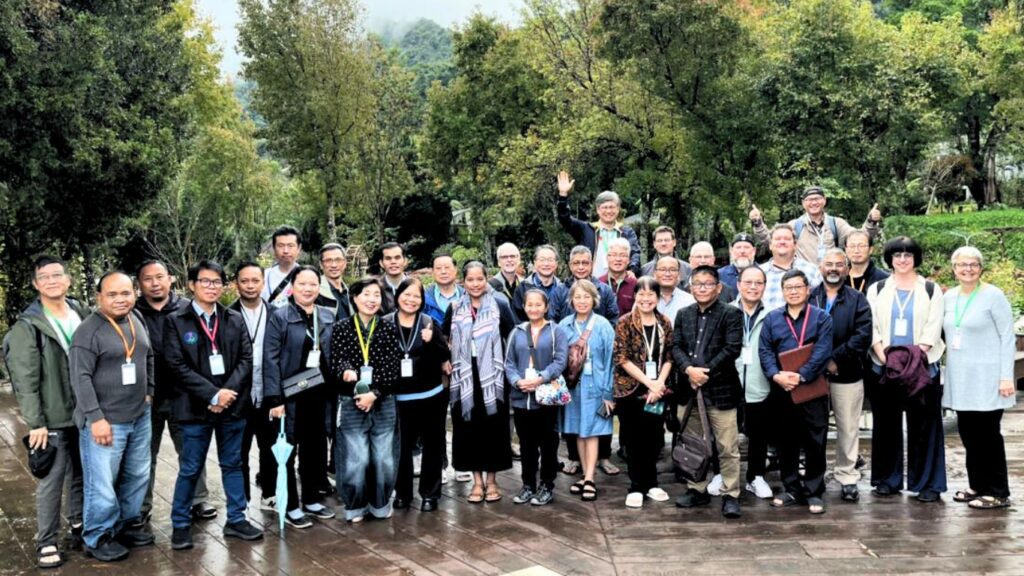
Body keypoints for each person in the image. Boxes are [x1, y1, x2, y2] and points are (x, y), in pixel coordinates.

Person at [163, 260, 261, 549]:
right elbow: (175, 365)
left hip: (232, 407)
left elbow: (246, 359)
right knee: (191, 467)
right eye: (205, 281)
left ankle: (236, 519)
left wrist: (226, 393)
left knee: (233, 464)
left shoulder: (233, 318)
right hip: (194, 409)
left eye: (217, 282)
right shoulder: (176, 320)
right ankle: (180, 524)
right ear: (192, 284)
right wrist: (212, 394)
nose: (211, 287)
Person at [3, 255, 89, 568]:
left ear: (68, 280)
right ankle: (47, 540)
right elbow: (25, 380)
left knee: (82, 474)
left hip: (84, 412)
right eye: (45, 277)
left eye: (57, 275)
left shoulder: (81, 311)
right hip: (51, 418)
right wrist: (35, 422)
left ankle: (79, 524)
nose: (52, 281)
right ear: (36, 284)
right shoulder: (28, 327)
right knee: (51, 480)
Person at [70, 271, 154, 562]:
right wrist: (96, 418)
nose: (120, 299)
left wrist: (149, 392)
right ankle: (97, 535)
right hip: (106, 420)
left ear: (134, 293)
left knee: (137, 473)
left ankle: (127, 524)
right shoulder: (88, 331)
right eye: (112, 294)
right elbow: (80, 378)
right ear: (99, 297)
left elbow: (147, 356)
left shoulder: (136, 319)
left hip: (139, 414)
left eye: (126, 293)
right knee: (102, 481)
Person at [135, 259, 215, 527]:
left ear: (171, 279)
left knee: (191, 450)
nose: (155, 283)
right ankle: (141, 505)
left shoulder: (187, 308)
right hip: (147, 397)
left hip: (185, 394)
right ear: (139, 284)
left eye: (160, 276)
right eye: (148, 278)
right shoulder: (133, 313)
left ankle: (198, 499)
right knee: (145, 454)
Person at [866, 237, 946, 502]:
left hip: (922, 369)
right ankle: (887, 480)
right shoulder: (877, 289)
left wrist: (912, 360)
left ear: (915, 258)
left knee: (925, 426)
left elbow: (933, 329)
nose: (902, 260)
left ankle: (927, 484)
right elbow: (872, 328)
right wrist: (886, 358)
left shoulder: (931, 290)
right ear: (889, 259)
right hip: (885, 367)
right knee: (886, 426)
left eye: (908, 255)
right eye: (897, 255)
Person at [262, 266, 337, 528]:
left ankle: (312, 499)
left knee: (315, 449)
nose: (308, 289)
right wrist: (275, 399)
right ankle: (291, 505)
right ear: (293, 286)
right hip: (290, 396)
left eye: (313, 284)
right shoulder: (279, 317)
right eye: (302, 284)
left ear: (319, 287)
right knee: (289, 451)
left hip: (319, 395)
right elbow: (269, 360)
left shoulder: (326, 315)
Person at [942, 247, 1016, 509]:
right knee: (968, 432)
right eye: (962, 264)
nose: (968, 269)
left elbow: (1008, 337)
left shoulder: (993, 296)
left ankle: (998, 491)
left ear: (981, 268)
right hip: (961, 377)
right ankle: (977, 485)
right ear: (954, 268)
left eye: (973, 264)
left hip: (988, 376)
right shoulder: (949, 297)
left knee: (988, 434)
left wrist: (1006, 376)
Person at [670, 266, 744, 518]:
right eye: (697, 284)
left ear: (718, 287)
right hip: (688, 390)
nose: (702, 288)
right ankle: (696, 488)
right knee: (693, 444)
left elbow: (732, 349)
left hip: (721, 391)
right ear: (690, 287)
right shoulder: (683, 314)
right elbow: (675, 346)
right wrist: (688, 370)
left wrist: (703, 372)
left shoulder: (731, 314)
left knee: (727, 446)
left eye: (707, 284)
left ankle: (731, 493)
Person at [759, 269, 833, 515]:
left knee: (815, 440)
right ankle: (790, 487)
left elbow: (823, 351)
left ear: (807, 289)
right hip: (782, 390)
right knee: (785, 441)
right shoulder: (772, 319)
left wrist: (801, 375)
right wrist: (776, 375)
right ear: (782, 292)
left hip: (812, 388)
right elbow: (765, 350)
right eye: (787, 287)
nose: (792, 291)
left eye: (797, 287)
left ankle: (814, 490)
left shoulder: (821, 318)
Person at [330, 277, 403, 522]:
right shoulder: (341, 327)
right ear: (354, 298)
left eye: (376, 295)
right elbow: (336, 361)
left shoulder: (388, 327)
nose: (372, 300)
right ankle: (355, 505)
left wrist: (374, 394)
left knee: (383, 458)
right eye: (366, 294)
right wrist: (346, 370)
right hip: (351, 401)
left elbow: (392, 368)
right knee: (355, 458)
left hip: (383, 400)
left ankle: (380, 503)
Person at [444, 262, 516, 504]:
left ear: (486, 280)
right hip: (464, 377)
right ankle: (476, 481)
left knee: (494, 428)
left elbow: (513, 336)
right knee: (468, 429)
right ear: (463, 282)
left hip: (493, 377)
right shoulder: (455, 307)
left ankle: (493, 481)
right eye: (470, 280)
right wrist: (446, 360)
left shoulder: (500, 304)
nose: (475, 284)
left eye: (479, 279)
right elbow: (445, 339)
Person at [810, 249, 872, 502]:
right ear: (820, 267)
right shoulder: (809, 296)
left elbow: (862, 336)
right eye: (828, 264)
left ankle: (847, 475)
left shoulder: (858, 299)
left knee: (847, 428)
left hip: (847, 373)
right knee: (814, 428)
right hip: (813, 375)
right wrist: (821, 362)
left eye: (839, 265)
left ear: (847, 269)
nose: (833, 269)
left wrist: (836, 359)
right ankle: (815, 475)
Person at [387, 278, 451, 512]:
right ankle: (402, 493)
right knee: (401, 447)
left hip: (430, 395)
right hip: (399, 398)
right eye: (407, 294)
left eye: (416, 296)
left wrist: (431, 340)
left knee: (433, 445)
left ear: (422, 300)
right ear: (397, 296)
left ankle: (430, 494)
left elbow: (444, 355)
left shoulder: (429, 322)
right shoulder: (385, 324)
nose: (411, 300)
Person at [613, 277, 674, 508]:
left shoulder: (664, 322)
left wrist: (659, 384)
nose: (646, 299)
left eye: (651, 294)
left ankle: (653, 483)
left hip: (657, 390)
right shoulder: (625, 322)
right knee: (633, 438)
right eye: (641, 294)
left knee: (653, 438)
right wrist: (649, 382)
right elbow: (621, 358)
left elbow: (669, 356)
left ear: (658, 298)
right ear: (634, 296)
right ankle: (636, 486)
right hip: (631, 389)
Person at [558, 248, 619, 476]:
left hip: (598, 387)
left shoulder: (603, 325)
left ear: (595, 299)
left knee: (592, 432)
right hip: (573, 389)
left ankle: (590, 478)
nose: (582, 301)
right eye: (577, 297)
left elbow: (613, 361)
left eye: (587, 297)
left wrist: (609, 394)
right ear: (571, 300)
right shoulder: (564, 325)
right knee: (578, 431)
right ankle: (585, 474)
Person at [506, 289, 569, 506]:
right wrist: (517, 381)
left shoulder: (556, 331)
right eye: (529, 304)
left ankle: (546, 484)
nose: (533, 308)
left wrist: (540, 378)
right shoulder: (516, 331)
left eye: (538, 304)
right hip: (521, 397)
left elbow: (561, 361)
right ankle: (528, 484)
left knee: (549, 443)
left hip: (546, 397)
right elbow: (509, 363)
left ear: (546, 306)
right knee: (526, 444)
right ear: (524, 307)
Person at [230, 262, 276, 510]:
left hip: (269, 393)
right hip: (239, 396)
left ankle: (270, 494)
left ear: (262, 282)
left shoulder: (277, 313)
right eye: (244, 281)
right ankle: (242, 501)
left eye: (255, 280)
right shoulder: (227, 316)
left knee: (270, 448)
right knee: (239, 452)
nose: (250, 286)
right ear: (236, 283)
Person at [750, 186, 883, 263]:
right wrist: (758, 223)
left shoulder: (836, 224)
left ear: (824, 201)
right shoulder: (795, 225)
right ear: (803, 204)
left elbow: (860, 239)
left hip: (832, 278)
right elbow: (770, 242)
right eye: (809, 200)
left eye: (817, 199)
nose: (814, 203)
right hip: (804, 280)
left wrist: (871, 221)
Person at [731, 266, 775, 500]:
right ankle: (722, 475)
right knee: (727, 435)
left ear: (764, 286)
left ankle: (756, 477)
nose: (753, 287)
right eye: (748, 282)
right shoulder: (726, 312)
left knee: (759, 435)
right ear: (738, 284)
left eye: (758, 283)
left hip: (760, 383)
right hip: (730, 384)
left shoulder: (773, 314)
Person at [556, 170, 642, 276]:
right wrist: (563, 196)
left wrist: (632, 270)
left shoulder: (626, 232)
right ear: (597, 210)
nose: (608, 211)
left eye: (612, 207)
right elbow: (565, 219)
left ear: (618, 209)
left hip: (618, 282)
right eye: (605, 207)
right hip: (591, 283)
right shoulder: (587, 229)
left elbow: (635, 253)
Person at [760, 224, 823, 310]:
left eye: (787, 239)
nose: (782, 242)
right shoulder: (759, 273)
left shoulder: (811, 271)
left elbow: (821, 301)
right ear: (770, 245)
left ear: (795, 245)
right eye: (778, 239)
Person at [560, 245, 619, 323]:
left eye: (585, 263)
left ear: (591, 264)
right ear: (570, 265)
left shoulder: (605, 290)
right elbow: (553, 322)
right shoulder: (560, 291)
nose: (581, 267)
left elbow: (613, 319)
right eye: (576, 263)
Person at [512, 245, 568, 322]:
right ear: (535, 263)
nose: (546, 264)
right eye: (542, 260)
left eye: (550, 260)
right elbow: (518, 320)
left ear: (556, 264)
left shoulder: (563, 290)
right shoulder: (523, 288)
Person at [261, 225, 303, 308]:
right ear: (274, 248)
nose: (286, 251)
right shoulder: (264, 276)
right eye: (280, 246)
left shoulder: (307, 275)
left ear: (299, 248)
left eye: (290, 246)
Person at [845, 229, 889, 295]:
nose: (856, 251)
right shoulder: (840, 278)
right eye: (852, 246)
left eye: (861, 246)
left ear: (871, 249)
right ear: (845, 249)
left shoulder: (884, 279)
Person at [423, 253, 463, 326]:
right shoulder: (424, 298)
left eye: (447, 267)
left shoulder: (467, 296)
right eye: (438, 268)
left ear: (455, 270)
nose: (443, 272)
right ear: (432, 272)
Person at [653, 255, 695, 320]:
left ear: (679, 275)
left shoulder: (690, 301)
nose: (667, 274)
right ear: (655, 274)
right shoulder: (644, 300)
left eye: (672, 270)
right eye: (662, 270)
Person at [318, 243, 352, 320]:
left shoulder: (350, 293)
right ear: (321, 264)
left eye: (338, 260)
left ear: (345, 263)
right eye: (328, 260)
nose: (334, 265)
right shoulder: (315, 292)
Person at [378, 242, 409, 313]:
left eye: (397, 258)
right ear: (381, 263)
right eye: (388, 258)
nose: (393, 262)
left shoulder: (415, 287)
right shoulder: (376, 288)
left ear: (405, 261)